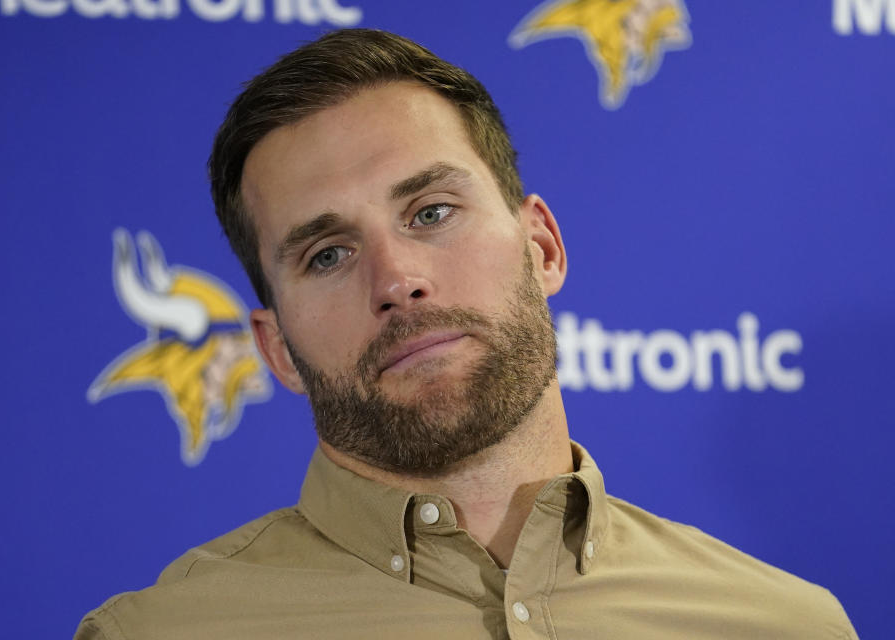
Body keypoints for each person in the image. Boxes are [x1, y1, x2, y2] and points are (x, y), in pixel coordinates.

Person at [75, 29, 857, 639]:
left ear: (542, 247)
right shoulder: (163, 633)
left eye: (431, 213)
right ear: (277, 348)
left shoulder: (785, 626)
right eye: (327, 254)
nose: (395, 279)